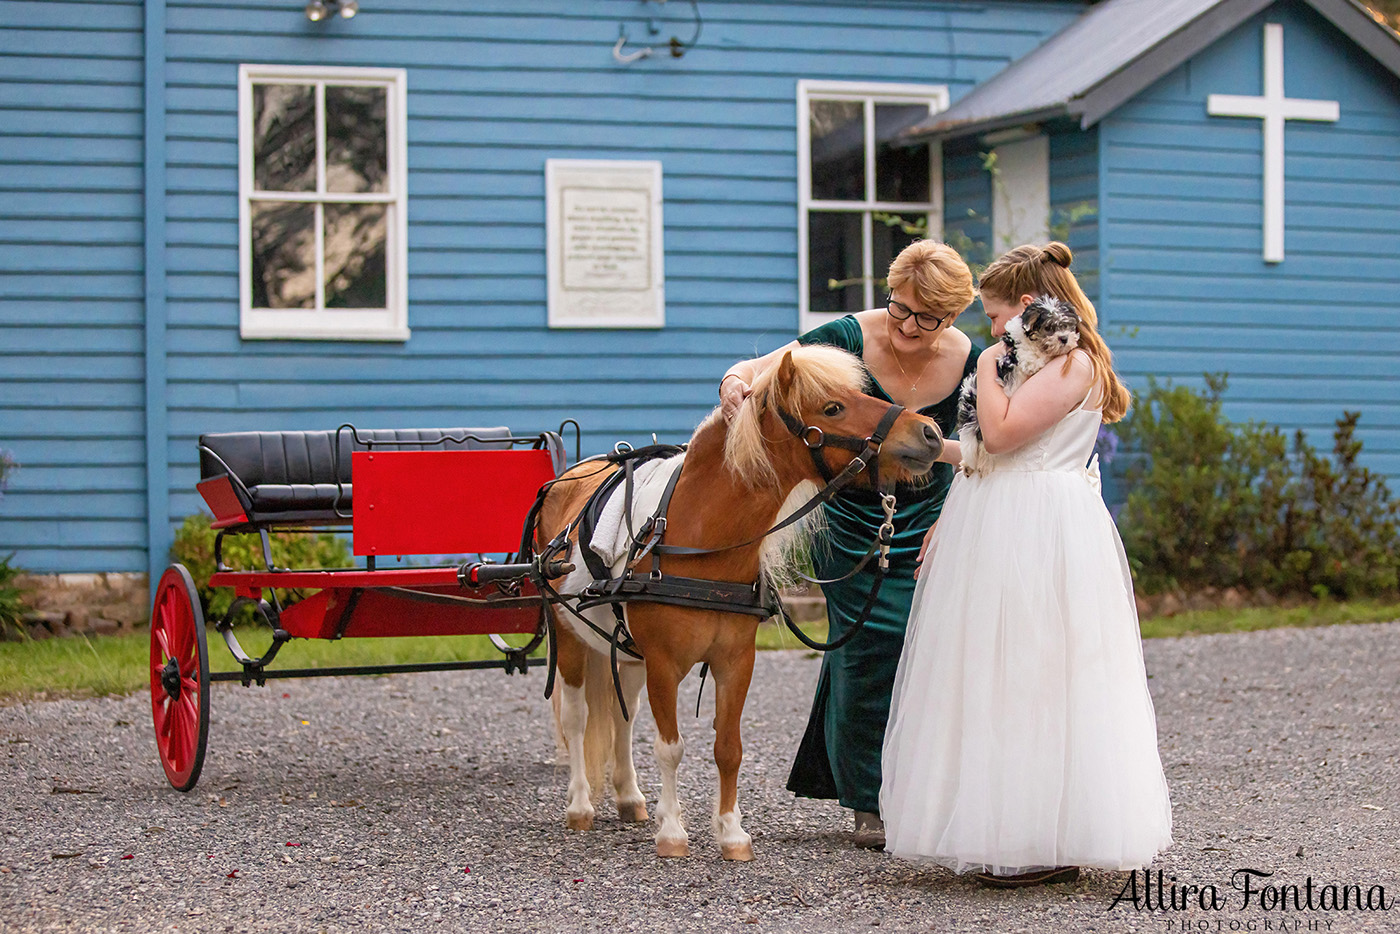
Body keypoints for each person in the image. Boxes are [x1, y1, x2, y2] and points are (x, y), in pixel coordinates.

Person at [879, 242, 1172, 887]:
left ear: (1029, 306)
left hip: (1040, 526)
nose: (988, 330)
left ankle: (1042, 834)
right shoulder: (1026, 364)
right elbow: (990, 452)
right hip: (998, 516)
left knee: (1037, 671)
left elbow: (1006, 434)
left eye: (992, 316)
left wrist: (984, 365)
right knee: (992, 669)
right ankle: (1016, 825)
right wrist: (937, 467)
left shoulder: (1070, 366)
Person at [719, 240, 979, 849]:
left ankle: (923, 786)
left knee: (931, 653)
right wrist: (735, 381)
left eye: (928, 318)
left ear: (953, 315)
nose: (910, 326)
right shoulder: (850, 337)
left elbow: (984, 443)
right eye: (901, 308)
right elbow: (769, 367)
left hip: (936, 515)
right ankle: (868, 801)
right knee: (865, 649)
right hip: (854, 518)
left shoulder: (973, 359)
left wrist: (957, 516)